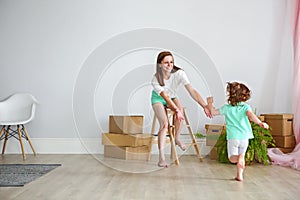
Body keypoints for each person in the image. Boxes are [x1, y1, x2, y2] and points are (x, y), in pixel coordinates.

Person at [151, 51, 212, 168]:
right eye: (166, 63)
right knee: (164, 124)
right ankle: (161, 158)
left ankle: (177, 138)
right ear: (160, 64)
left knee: (181, 110)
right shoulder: (155, 79)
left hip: (172, 97)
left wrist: (204, 105)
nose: (169, 65)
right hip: (158, 99)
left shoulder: (180, 73)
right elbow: (165, 98)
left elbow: (192, 91)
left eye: (171, 62)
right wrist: (176, 110)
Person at [208, 81, 269, 181]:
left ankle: (239, 162)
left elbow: (213, 113)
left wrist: (210, 103)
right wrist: (260, 123)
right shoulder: (245, 107)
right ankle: (239, 175)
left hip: (233, 137)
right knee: (242, 156)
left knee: (232, 158)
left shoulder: (226, 108)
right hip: (245, 137)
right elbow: (251, 115)